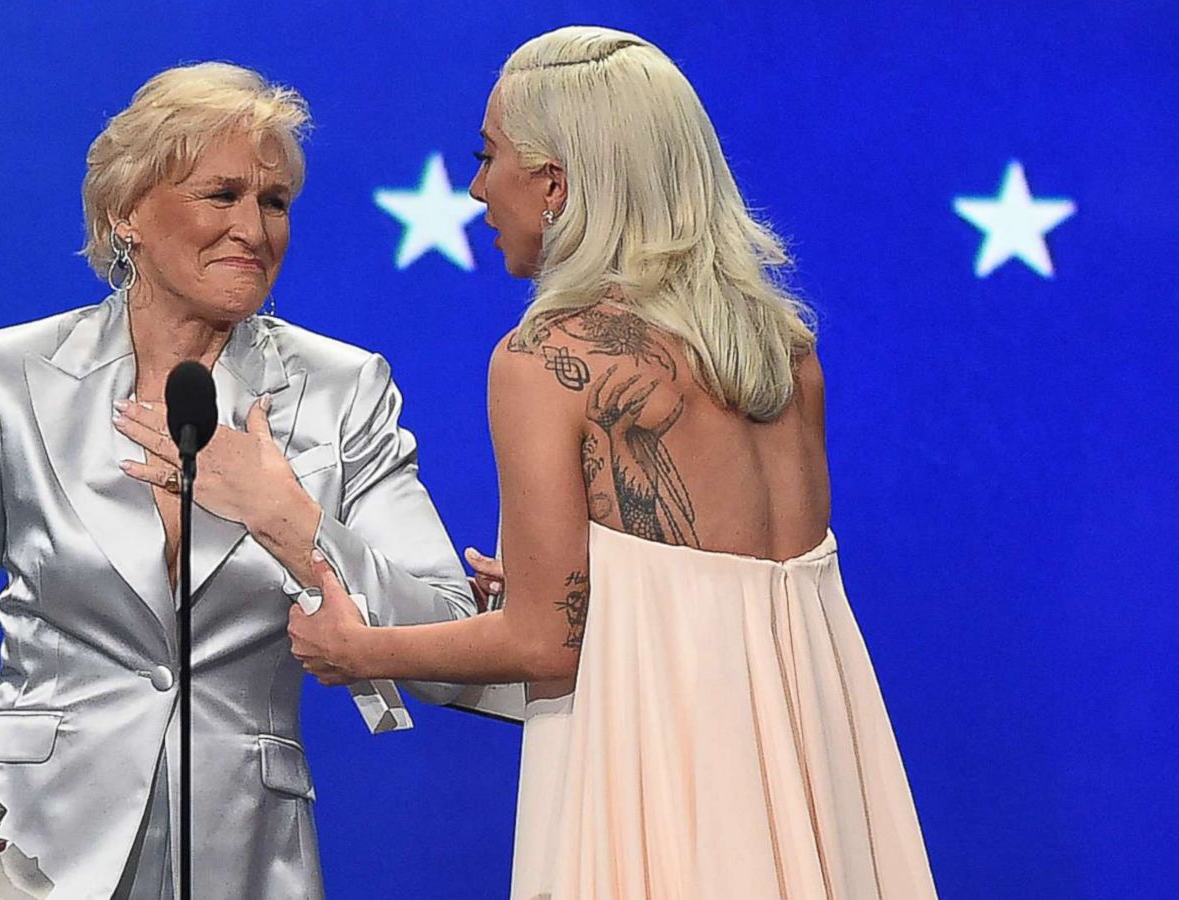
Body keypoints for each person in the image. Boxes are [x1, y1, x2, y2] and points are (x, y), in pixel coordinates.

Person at [288, 26, 939, 899]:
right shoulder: (786, 353)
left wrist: (360, 649)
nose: (480, 189)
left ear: (554, 183)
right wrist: (595, 596)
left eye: (490, 158)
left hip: (661, 784)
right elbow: (729, 594)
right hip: (815, 783)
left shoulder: (545, 360)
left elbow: (543, 644)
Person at [0, 61, 474, 900]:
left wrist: (290, 519)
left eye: (274, 202)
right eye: (220, 195)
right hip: (22, 856)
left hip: (245, 854)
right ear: (127, 212)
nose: (254, 231)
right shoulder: (12, 374)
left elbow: (448, 633)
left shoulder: (345, 388)